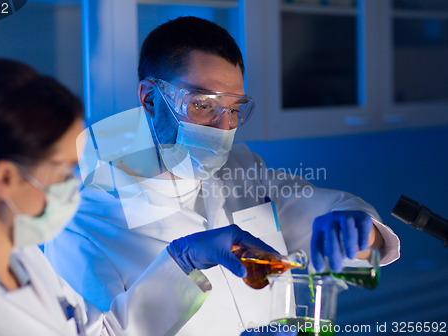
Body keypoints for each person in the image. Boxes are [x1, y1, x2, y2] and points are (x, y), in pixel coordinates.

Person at [45, 17, 401, 335]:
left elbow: (335, 217)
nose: (223, 128)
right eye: (202, 105)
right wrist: (176, 265)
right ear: (150, 99)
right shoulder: (81, 225)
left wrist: (359, 228)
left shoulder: (242, 169)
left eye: (233, 109)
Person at [0, 58, 287, 336]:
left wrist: (183, 258)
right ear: (5, 178)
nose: (74, 185)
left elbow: (103, 334)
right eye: (64, 173)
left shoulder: (20, 258)